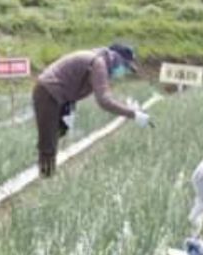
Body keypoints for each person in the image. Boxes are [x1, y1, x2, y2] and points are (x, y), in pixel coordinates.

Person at [33, 43, 151, 177]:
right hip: (49, 92)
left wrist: (128, 107)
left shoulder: (99, 60)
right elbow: (104, 101)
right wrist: (133, 114)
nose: (123, 71)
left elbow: (105, 92)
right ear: (116, 58)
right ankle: (46, 177)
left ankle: (47, 170)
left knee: (59, 132)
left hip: (62, 96)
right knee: (49, 140)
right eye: (124, 66)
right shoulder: (98, 63)